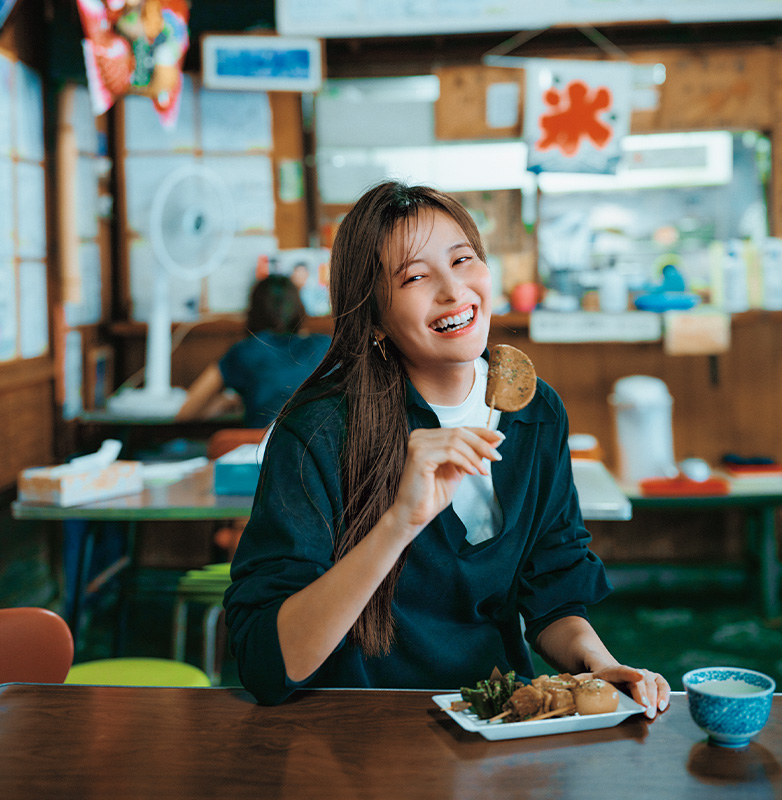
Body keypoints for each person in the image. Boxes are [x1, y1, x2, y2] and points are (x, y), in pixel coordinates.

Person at [224, 181, 671, 715]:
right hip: (355, 731)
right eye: (415, 276)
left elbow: (552, 593)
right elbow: (265, 665)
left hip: (498, 720)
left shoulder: (535, 409)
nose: (454, 291)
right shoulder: (319, 431)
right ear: (373, 318)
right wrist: (398, 523)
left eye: (463, 260)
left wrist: (599, 664)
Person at [175, 275, 331, 428]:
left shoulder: (244, 352)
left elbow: (186, 414)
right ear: (299, 309)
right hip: (319, 449)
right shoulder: (325, 346)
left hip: (261, 448)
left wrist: (227, 404)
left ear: (253, 312)